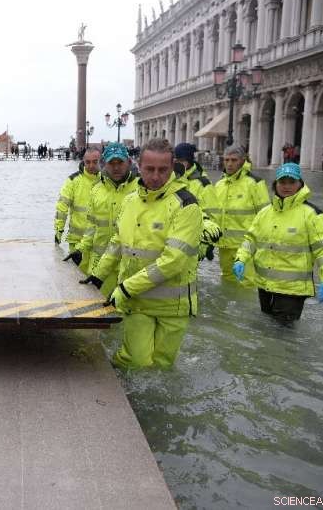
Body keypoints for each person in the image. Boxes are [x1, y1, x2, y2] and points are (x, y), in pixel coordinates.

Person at [88, 138, 202, 370]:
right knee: (136, 361)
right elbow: (117, 242)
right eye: (150, 169)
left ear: (172, 168)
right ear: (138, 166)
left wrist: (126, 288)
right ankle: (109, 382)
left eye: (163, 169)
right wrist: (98, 274)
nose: (156, 176)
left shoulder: (186, 206)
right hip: (137, 302)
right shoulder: (130, 201)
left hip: (173, 306)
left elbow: (173, 262)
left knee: (161, 366)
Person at [234, 163, 323, 325]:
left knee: (282, 336)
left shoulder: (312, 215)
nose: (287, 186)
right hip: (265, 286)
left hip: (292, 290)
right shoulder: (264, 213)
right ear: (275, 184)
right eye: (283, 182)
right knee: (266, 329)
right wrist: (240, 259)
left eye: (292, 182)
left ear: (300, 184)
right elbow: (250, 240)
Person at [75, 142, 138, 298]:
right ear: (104, 163)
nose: (116, 167)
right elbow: (91, 226)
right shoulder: (96, 190)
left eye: (120, 163)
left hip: (129, 265)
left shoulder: (141, 189)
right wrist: (81, 249)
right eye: (111, 163)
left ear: (128, 163)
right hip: (99, 263)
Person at [206, 145, 269, 283]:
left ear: (242, 160)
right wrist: (210, 242)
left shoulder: (254, 183)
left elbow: (266, 216)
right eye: (226, 160)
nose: (229, 164)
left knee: (246, 283)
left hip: (246, 247)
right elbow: (215, 215)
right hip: (224, 247)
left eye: (233, 160)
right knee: (228, 281)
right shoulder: (220, 184)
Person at [172, 142, 222, 261]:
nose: (178, 163)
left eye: (182, 160)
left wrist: (206, 244)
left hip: (192, 238)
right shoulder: (171, 178)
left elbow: (213, 216)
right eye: (176, 160)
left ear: (189, 161)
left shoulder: (203, 184)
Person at [56, 148, 100, 272]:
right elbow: (62, 207)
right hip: (77, 240)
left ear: (101, 162)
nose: (91, 165)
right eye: (88, 162)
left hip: (99, 243)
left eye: (95, 162)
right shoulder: (73, 181)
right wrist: (59, 230)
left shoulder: (106, 182)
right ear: (83, 162)